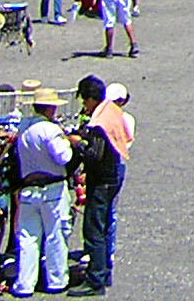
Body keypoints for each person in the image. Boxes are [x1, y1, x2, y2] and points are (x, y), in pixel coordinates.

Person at [10, 85, 72, 297]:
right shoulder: (50, 130)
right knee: (55, 236)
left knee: (28, 237)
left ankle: (25, 283)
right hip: (53, 188)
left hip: (29, 188)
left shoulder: (23, 128)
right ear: (49, 109)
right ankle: (56, 280)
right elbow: (63, 157)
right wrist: (68, 142)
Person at [70, 75, 127, 294]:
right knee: (103, 229)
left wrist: (78, 144)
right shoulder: (111, 111)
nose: (84, 105)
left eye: (84, 100)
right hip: (113, 176)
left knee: (93, 231)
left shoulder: (99, 122)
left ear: (91, 98)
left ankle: (95, 281)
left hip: (101, 181)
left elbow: (94, 155)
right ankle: (104, 273)